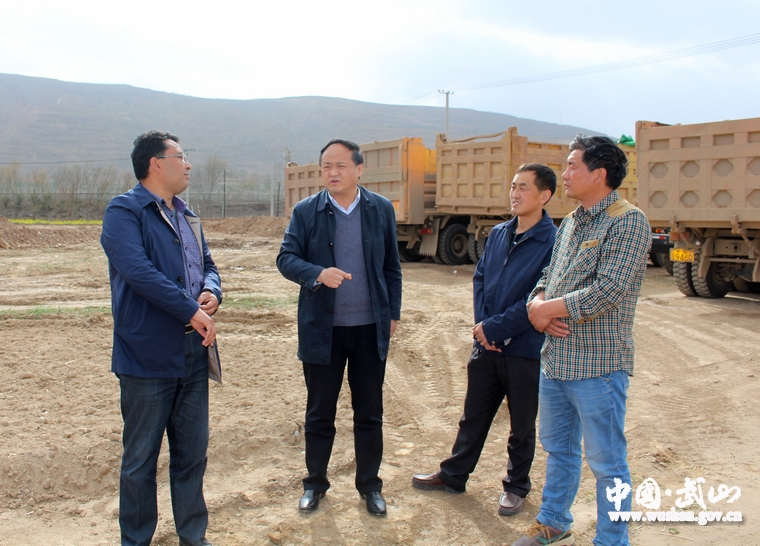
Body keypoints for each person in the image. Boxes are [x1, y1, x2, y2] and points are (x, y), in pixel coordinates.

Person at [513, 136, 651, 546]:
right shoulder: (572, 221)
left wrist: (548, 310)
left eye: (573, 166)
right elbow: (548, 276)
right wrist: (538, 303)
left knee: (608, 463)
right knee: (559, 449)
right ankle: (553, 521)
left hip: (598, 367)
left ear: (599, 174)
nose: (566, 174)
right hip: (557, 360)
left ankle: (612, 539)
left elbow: (609, 289)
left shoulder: (628, 222)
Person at [411, 164, 558, 516]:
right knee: (473, 416)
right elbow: (480, 279)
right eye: (513, 186)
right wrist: (483, 326)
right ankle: (453, 475)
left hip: (524, 349)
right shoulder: (499, 233)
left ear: (545, 195)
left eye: (524, 188)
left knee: (521, 425)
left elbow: (541, 296)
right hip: (486, 344)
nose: (515, 194)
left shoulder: (553, 242)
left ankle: (516, 487)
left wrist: (497, 329)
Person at [101, 130, 222, 546]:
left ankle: (194, 537)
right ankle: (136, 541)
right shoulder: (124, 211)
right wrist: (189, 308)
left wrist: (212, 291)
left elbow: (207, 264)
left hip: (194, 350)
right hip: (146, 354)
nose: (188, 164)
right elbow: (138, 272)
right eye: (180, 156)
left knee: (192, 454)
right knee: (140, 460)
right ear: (155, 163)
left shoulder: (188, 215)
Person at [276, 139, 402, 516]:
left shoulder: (380, 209)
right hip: (323, 330)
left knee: (369, 412)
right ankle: (315, 484)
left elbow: (392, 268)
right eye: (326, 166)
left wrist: (392, 313)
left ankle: (370, 486)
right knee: (319, 413)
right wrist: (317, 273)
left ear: (359, 169)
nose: (332, 172)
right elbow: (285, 258)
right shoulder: (306, 211)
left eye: (340, 165)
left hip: (369, 328)